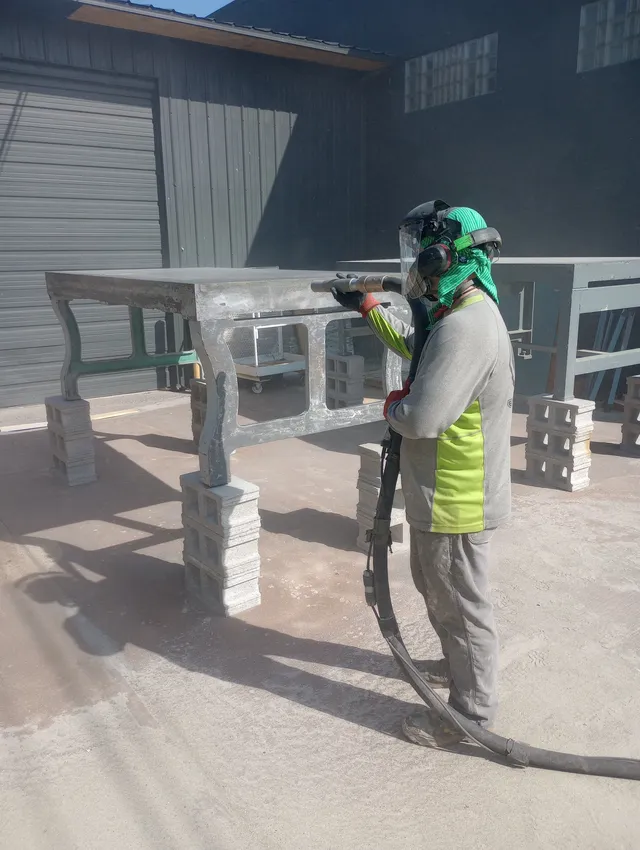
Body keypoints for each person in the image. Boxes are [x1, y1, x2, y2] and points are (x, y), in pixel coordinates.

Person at [332, 204, 514, 749]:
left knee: (460, 603)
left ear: (445, 256)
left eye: (424, 255)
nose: (418, 266)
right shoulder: (456, 313)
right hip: (442, 492)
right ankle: (457, 667)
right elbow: (419, 349)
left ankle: (471, 717)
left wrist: (394, 408)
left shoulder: (466, 326)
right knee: (442, 594)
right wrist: (369, 308)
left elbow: (423, 416)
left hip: (457, 496)